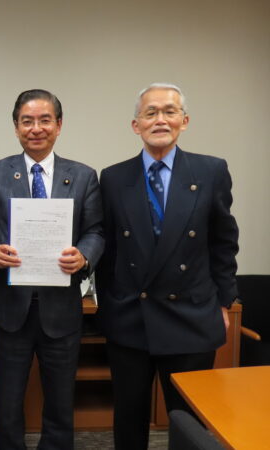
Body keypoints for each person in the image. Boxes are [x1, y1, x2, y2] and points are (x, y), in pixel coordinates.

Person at [96, 82, 239, 450]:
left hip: (191, 316)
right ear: (136, 125)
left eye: (169, 111)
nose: (160, 119)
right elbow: (107, 249)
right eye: (150, 113)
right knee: (129, 418)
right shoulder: (113, 177)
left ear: (184, 121)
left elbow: (223, 242)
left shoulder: (210, 171)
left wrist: (224, 302)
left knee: (187, 423)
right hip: (130, 317)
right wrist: (108, 304)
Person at [0, 89, 104, 449]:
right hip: (11, 308)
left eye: (45, 120)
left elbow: (96, 231)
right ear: (16, 127)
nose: (36, 128)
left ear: (59, 125)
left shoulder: (83, 176)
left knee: (61, 400)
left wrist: (84, 256)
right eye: (27, 121)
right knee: (7, 400)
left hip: (61, 309)